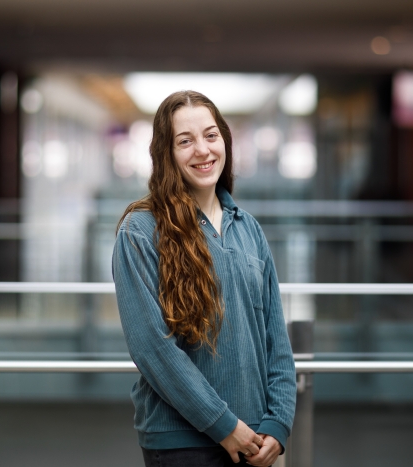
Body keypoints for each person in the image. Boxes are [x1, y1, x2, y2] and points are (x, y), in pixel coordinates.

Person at [112, 90, 296, 467]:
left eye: (211, 136)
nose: (202, 150)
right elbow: (152, 349)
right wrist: (223, 424)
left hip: (256, 440)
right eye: (185, 141)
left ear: (224, 141)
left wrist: (279, 422)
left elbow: (275, 336)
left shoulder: (249, 229)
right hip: (183, 444)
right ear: (166, 153)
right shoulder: (140, 231)